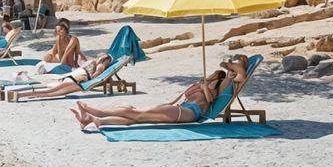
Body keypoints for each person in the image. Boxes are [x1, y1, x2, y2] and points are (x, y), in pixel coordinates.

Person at [71, 56, 248, 130]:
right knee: (136, 115)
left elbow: (210, 100)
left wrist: (204, 86)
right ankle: (96, 119)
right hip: (183, 107)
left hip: (191, 112)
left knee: (138, 115)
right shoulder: (220, 80)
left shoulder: (226, 83)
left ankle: (95, 115)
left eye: (235, 65)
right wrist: (173, 102)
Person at [6, 52, 113, 101]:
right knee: (50, 93)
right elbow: (95, 75)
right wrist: (102, 74)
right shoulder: (101, 65)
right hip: (80, 80)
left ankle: (19, 94)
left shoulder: (92, 61)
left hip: (75, 75)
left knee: (49, 89)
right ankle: (19, 95)